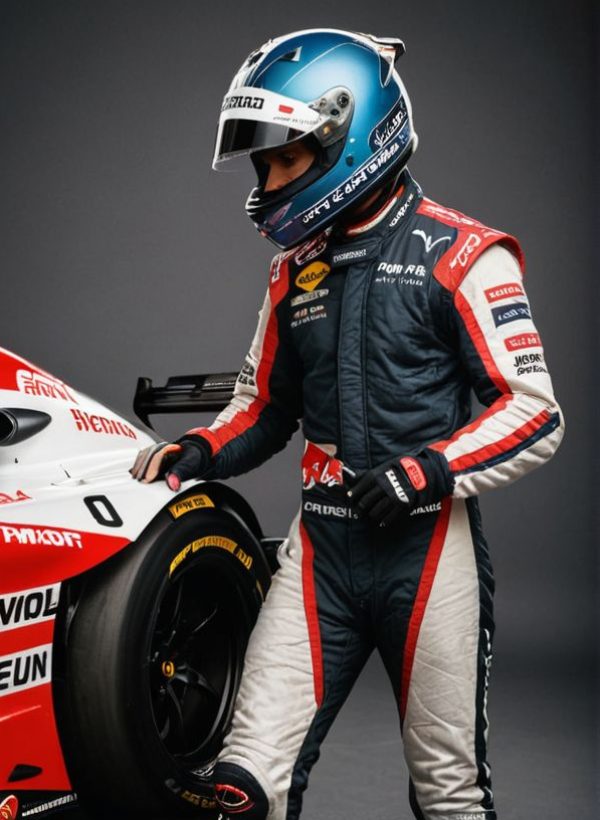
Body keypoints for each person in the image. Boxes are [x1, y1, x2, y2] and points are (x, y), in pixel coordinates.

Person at [131, 29, 564, 820]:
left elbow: (535, 415)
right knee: (241, 790)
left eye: (285, 157)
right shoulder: (294, 271)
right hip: (321, 554)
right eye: (264, 161)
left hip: (429, 555)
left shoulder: (465, 254)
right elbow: (264, 410)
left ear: (354, 129)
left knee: (451, 800)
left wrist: (426, 469)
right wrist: (193, 451)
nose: (269, 178)